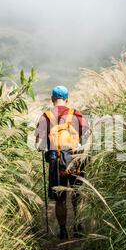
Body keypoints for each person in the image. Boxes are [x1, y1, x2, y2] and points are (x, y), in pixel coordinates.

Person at [35, 86, 90, 240]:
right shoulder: (77, 114)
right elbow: (87, 136)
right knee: (77, 194)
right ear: (67, 99)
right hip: (75, 160)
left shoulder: (46, 116)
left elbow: (38, 145)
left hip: (56, 161)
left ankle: (63, 231)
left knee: (60, 198)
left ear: (52, 99)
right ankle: (78, 227)